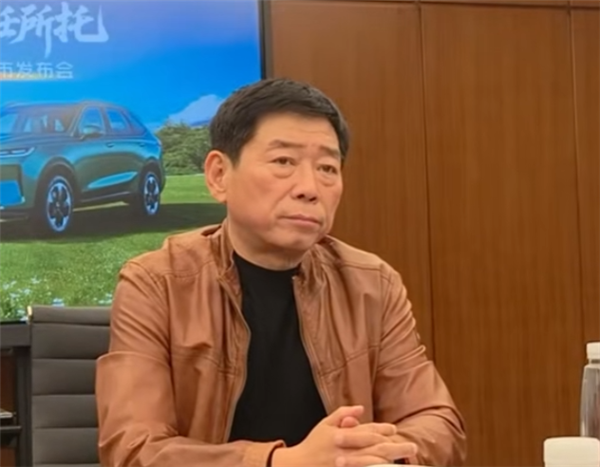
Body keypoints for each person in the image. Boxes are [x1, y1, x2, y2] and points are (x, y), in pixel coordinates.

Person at [95, 78, 466, 467]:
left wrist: (373, 457)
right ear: (219, 175)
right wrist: (284, 463)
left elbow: (437, 423)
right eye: (283, 162)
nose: (309, 187)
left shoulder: (372, 284)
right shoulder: (156, 283)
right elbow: (133, 449)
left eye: (327, 168)